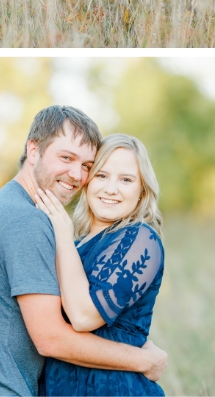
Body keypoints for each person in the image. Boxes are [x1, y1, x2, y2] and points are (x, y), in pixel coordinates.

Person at [0, 107, 167, 397]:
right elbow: (52, 337)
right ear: (33, 149)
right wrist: (144, 359)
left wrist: (138, 341)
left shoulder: (29, 215)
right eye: (67, 158)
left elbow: (89, 317)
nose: (76, 173)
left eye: (86, 165)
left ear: (143, 189)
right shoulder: (27, 220)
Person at [32, 134, 167, 396]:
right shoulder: (78, 244)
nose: (110, 188)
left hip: (111, 387)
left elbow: (83, 317)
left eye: (126, 180)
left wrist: (61, 232)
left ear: (141, 190)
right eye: (101, 175)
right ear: (87, 181)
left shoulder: (140, 238)